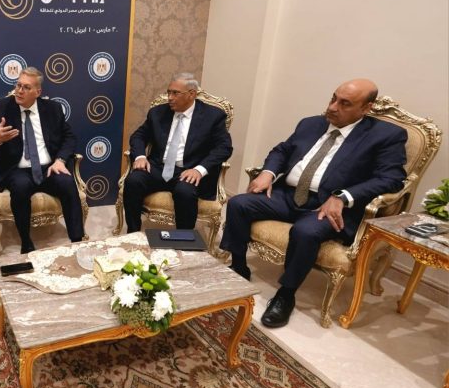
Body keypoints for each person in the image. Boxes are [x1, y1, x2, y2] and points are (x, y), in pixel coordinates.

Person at [219, 79, 407, 328]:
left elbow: (391, 179)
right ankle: (239, 267)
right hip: (288, 195)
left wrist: (342, 196)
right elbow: (282, 150)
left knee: (306, 232)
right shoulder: (311, 124)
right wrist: (268, 173)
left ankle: (286, 295)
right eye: (333, 98)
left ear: (366, 108)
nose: (332, 107)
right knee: (239, 204)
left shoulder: (385, 136)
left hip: (327, 205)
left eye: (345, 103)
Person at [0, 67, 85, 253]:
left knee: (67, 182)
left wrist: (60, 160)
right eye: (18, 85)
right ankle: (26, 243)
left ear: (38, 92)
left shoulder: (53, 109)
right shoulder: (1, 108)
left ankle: (77, 241)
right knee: (20, 187)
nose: (19, 91)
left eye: (26, 87)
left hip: (49, 167)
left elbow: (69, 137)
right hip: (17, 169)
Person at [123, 73, 233, 232]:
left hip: (189, 170)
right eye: (169, 92)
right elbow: (139, 136)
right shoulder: (157, 112)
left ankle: (183, 239)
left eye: (175, 93)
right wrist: (140, 156)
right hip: (158, 167)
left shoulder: (212, 116)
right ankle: (132, 233)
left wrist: (199, 170)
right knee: (133, 180)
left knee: (185, 192)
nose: (169, 98)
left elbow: (224, 147)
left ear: (191, 94)